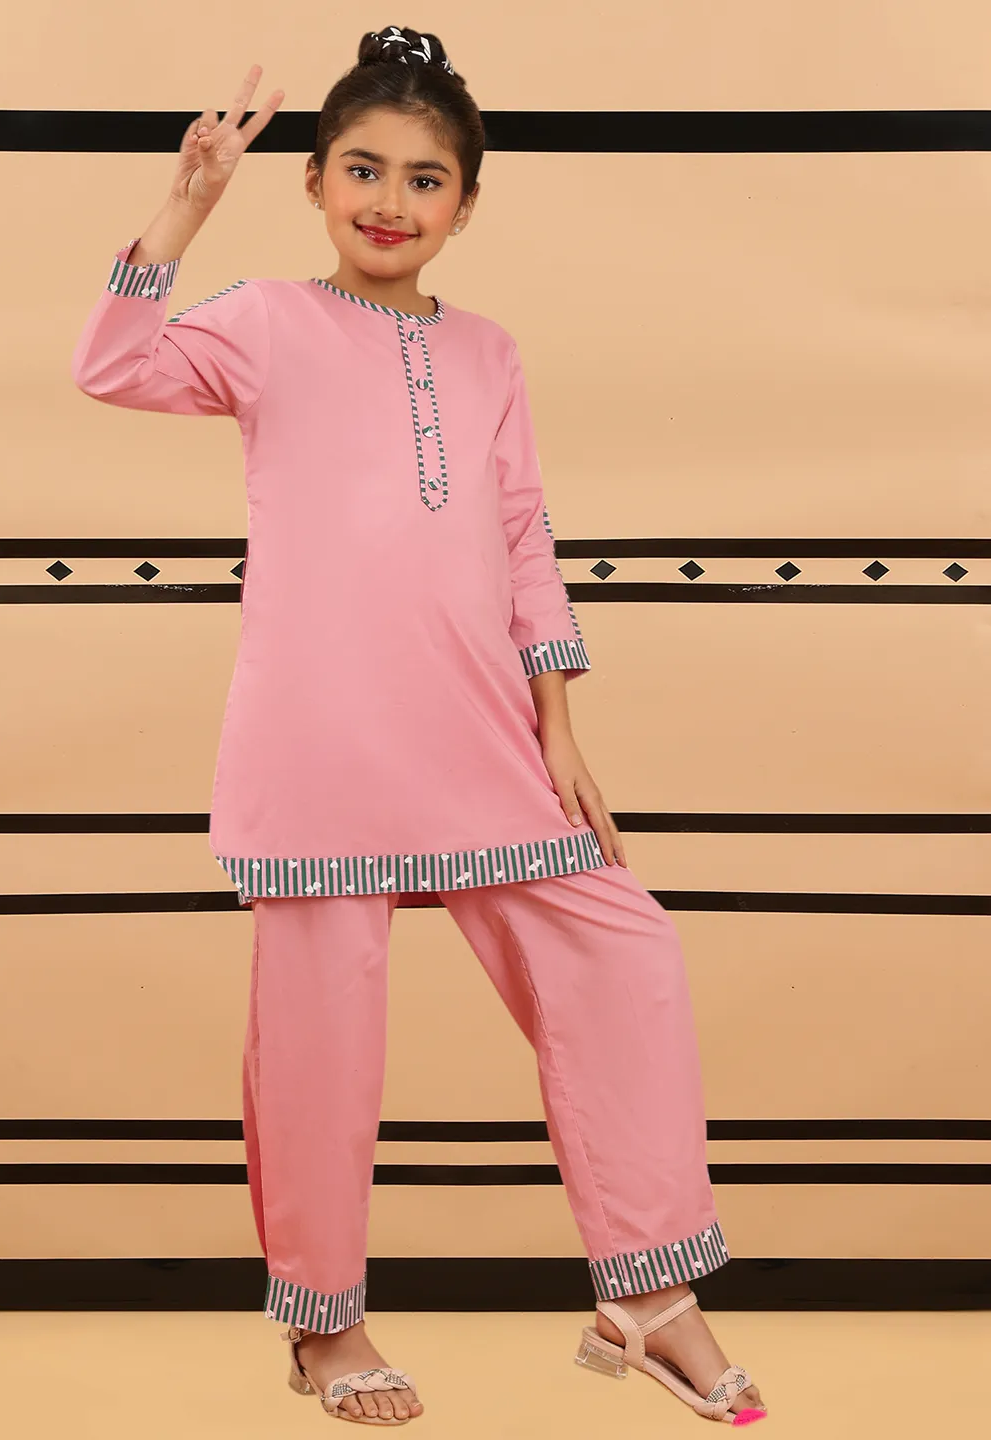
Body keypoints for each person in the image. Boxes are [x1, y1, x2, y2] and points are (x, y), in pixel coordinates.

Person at [71, 25, 767, 1428]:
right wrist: (187, 202)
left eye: (425, 179)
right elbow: (114, 365)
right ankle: (324, 1325)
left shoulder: (490, 353)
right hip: (320, 743)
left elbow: (522, 538)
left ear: (466, 203)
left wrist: (557, 728)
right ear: (316, 181)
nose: (390, 201)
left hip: (480, 736)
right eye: (363, 169)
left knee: (625, 957)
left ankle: (646, 1293)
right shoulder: (265, 321)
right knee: (320, 1047)